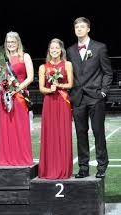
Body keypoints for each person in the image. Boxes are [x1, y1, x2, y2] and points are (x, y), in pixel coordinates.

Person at [67, 17, 113, 178]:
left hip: (95, 97)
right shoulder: (70, 50)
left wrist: (103, 92)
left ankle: (102, 166)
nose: (79, 29)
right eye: (76, 27)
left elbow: (108, 72)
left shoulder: (100, 48)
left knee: (98, 132)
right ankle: (83, 167)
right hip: (78, 98)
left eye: (82, 27)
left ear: (88, 29)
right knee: (80, 133)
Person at [0, 31, 34, 166]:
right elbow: (0, 77)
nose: (10, 44)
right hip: (5, 98)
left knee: (20, 127)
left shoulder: (25, 56)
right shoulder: (2, 58)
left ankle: (22, 158)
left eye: (13, 42)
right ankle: (7, 158)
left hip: (19, 96)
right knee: (7, 128)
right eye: (8, 42)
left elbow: (30, 77)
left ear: (18, 42)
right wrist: (1, 86)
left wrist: (16, 89)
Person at [38, 38, 73, 179]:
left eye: (57, 48)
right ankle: (49, 168)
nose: (54, 50)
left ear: (61, 50)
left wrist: (59, 86)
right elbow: (41, 88)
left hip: (63, 102)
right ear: (49, 50)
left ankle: (64, 168)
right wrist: (50, 89)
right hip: (49, 103)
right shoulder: (43, 67)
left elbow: (70, 84)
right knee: (50, 134)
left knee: (63, 133)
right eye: (52, 48)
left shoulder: (67, 64)